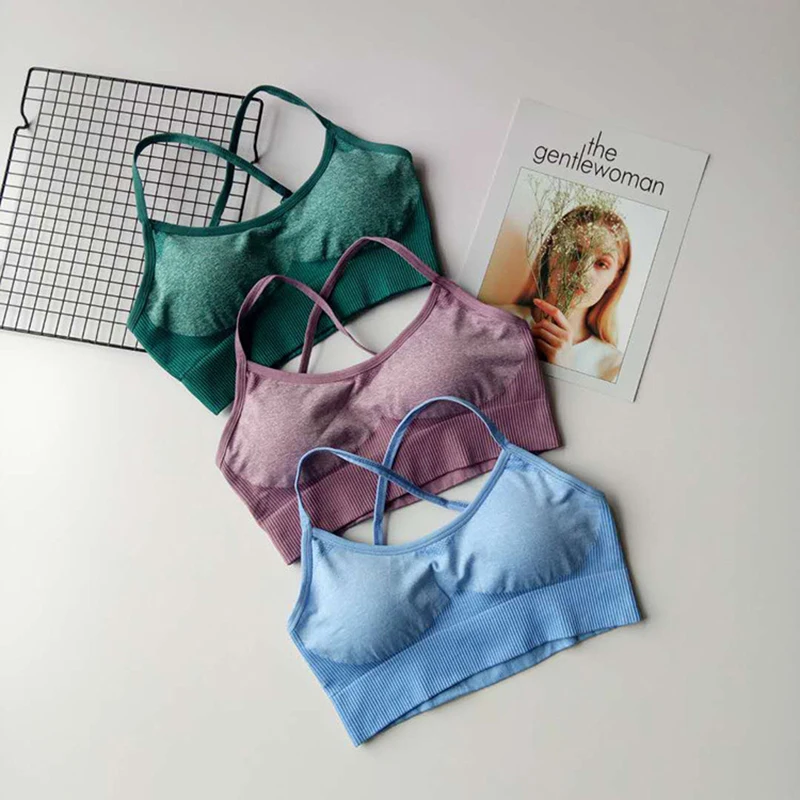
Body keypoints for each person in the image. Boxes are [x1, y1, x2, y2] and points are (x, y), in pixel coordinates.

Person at [525, 205, 631, 382]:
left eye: (602, 264)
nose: (582, 270)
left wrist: (562, 372)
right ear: (549, 253)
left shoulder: (614, 368)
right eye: (575, 253)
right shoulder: (497, 319)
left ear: (615, 279)